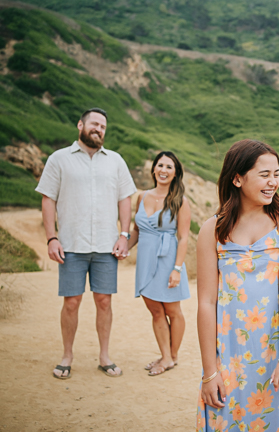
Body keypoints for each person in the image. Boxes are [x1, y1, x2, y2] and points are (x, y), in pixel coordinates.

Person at [196, 140, 279, 432]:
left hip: (274, 350)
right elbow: (206, 303)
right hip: (229, 352)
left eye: (277, 174)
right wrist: (209, 372)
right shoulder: (212, 229)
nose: (273, 182)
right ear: (237, 178)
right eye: (264, 174)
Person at [36, 108, 136, 379]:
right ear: (80, 124)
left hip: (106, 245)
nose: (99, 129)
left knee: (104, 301)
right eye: (94, 124)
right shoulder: (59, 159)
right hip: (71, 244)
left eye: (103, 126)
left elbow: (124, 199)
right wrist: (51, 237)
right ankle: (67, 356)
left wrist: (124, 235)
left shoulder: (115, 161)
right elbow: (48, 199)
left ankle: (104, 356)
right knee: (71, 302)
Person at [128, 151, 191, 376]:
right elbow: (137, 231)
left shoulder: (180, 201)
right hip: (145, 261)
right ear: (154, 169)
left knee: (172, 310)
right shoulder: (142, 197)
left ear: (175, 174)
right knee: (155, 310)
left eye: (169, 167)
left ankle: (170, 357)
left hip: (168, 261)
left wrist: (177, 269)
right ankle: (166, 355)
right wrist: (124, 247)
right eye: (160, 165)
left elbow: (183, 237)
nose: (164, 170)